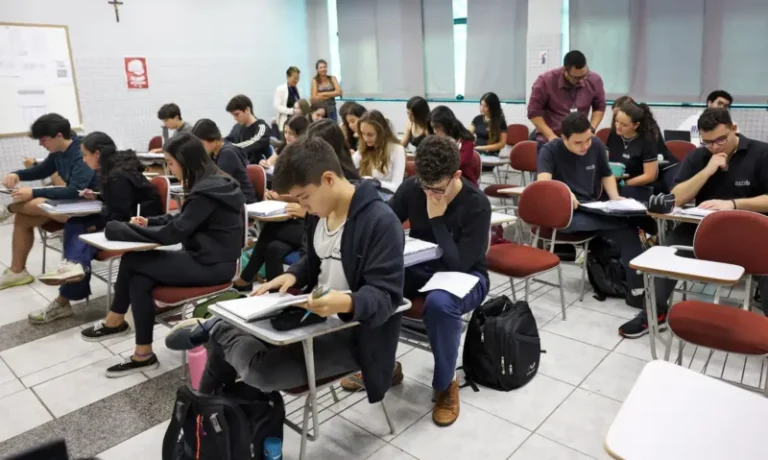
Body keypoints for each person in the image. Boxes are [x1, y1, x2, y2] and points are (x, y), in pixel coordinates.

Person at [171, 136, 404, 408]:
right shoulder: (319, 212)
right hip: (309, 317)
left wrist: (344, 302)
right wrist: (293, 274)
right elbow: (314, 259)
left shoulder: (380, 222)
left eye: (304, 197)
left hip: (353, 335)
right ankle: (210, 414)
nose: (303, 208)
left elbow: (386, 297)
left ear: (329, 179)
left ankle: (218, 331)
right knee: (230, 351)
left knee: (260, 371)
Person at [79, 133, 244, 377]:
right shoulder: (214, 182)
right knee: (139, 278)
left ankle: (115, 321)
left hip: (211, 265)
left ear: (185, 161)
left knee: (133, 260)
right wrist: (149, 222)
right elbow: (183, 219)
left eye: (170, 162)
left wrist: (122, 230)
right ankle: (142, 354)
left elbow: (172, 234)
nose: (169, 168)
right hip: (210, 260)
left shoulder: (206, 191)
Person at [359, 135, 490, 427]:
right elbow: (386, 221)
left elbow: (459, 264)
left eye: (438, 189)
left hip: (466, 277)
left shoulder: (476, 204)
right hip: (421, 269)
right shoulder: (413, 188)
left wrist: (437, 220)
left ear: (456, 176)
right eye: (425, 187)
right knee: (374, 285)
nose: (431, 194)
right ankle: (382, 367)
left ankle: (445, 384)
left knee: (440, 304)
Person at [619, 108, 768, 338]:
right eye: (708, 142)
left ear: (734, 129)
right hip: (702, 229)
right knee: (667, 249)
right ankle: (654, 312)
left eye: (721, 139)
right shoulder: (699, 157)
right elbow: (676, 197)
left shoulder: (761, 153)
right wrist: (707, 171)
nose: (715, 147)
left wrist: (733, 204)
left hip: (750, 231)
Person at [31, 132, 163, 323]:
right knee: (75, 223)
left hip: (140, 225)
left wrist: (96, 225)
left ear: (97, 153)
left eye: (85, 155)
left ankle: (71, 279)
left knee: (82, 233)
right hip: (126, 218)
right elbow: (119, 201)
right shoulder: (113, 169)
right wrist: (97, 196)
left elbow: (121, 212)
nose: (84, 160)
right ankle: (75, 269)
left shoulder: (118, 175)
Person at [235, 119, 361, 288]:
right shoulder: (314, 173)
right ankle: (274, 294)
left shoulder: (340, 179)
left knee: (272, 230)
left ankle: (246, 278)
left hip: (321, 231)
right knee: (274, 248)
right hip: (311, 225)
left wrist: (301, 209)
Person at [537, 113, 645, 307]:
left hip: (589, 208)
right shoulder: (550, 150)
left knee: (628, 230)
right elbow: (543, 183)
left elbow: (606, 174)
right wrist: (564, 193)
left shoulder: (595, 145)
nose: (585, 146)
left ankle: (637, 290)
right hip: (565, 214)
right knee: (625, 224)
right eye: (578, 142)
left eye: (588, 139)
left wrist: (615, 198)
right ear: (564, 138)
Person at [0, 114, 97, 290]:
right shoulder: (58, 152)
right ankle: (17, 271)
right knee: (23, 218)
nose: (41, 144)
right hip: (74, 203)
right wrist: (17, 174)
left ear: (59, 135)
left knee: (38, 201)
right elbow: (41, 170)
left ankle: (9, 209)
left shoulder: (81, 151)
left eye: (43, 139)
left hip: (91, 209)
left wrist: (33, 191)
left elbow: (74, 190)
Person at [528, 50, 606, 145]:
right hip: (551, 139)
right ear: (565, 70)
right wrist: (550, 136)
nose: (581, 80)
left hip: (580, 140)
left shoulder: (594, 80)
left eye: (584, 75)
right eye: (576, 78)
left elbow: (599, 107)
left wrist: (591, 129)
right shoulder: (545, 81)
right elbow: (533, 112)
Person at [606, 101, 679, 199]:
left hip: (637, 186)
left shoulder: (647, 141)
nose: (618, 126)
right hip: (614, 182)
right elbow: (606, 161)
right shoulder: (614, 135)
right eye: (616, 121)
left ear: (635, 125)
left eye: (624, 125)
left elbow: (650, 176)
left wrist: (624, 183)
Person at [192, 119, 257, 204]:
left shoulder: (227, 153)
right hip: (230, 200)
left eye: (201, 144)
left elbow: (218, 184)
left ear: (212, 138)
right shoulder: (214, 152)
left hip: (244, 203)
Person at [352, 110, 406, 193]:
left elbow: (396, 187)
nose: (365, 139)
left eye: (370, 134)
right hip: (367, 194)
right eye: (362, 133)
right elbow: (349, 166)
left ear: (381, 133)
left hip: (387, 196)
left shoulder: (397, 149)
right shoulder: (363, 148)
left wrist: (374, 182)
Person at [427, 105, 480, 185]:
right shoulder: (435, 140)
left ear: (447, 124)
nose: (434, 131)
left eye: (437, 127)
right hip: (441, 181)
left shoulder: (466, 140)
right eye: (433, 128)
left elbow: (458, 164)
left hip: (463, 181)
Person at [224, 94, 272, 165]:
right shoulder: (237, 127)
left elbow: (254, 142)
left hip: (257, 167)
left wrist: (231, 148)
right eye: (233, 115)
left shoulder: (262, 127)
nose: (235, 118)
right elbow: (227, 141)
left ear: (247, 110)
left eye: (237, 114)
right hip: (242, 167)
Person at [470, 92, 507, 156]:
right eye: (481, 105)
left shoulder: (500, 122)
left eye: (485, 106)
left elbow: (502, 144)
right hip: (476, 152)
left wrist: (482, 148)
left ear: (493, 107)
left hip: (490, 154)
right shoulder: (477, 119)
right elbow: (467, 134)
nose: (482, 108)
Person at [273, 66, 302, 133]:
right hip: (285, 123)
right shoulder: (280, 89)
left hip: (297, 123)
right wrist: (292, 111)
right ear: (288, 77)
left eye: (298, 78)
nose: (296, 80)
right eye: (295, 78)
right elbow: (277, 106)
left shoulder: (299, 90)